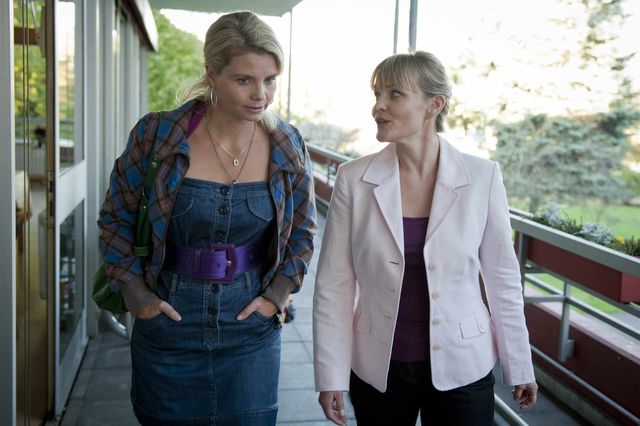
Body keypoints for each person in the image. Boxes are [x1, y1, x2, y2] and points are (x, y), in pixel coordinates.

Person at [98, 11, 317, 426]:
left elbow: (303, 231)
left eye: (270, 80)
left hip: (251, 330)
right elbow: (115, 219)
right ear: (211, 73)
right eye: (244, 80)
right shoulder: (158, 135)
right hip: (168, 324)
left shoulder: (286, 143)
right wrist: (137, 296)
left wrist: (277, 296)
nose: (261, 95)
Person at [312, 51, 537, 426]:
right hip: (378, 368)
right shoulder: (353, 179)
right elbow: (334, 284)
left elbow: (502, 279)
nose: (378, 106)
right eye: (377, 94)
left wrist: (520, 364)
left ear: (435, 105)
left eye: (395, 94)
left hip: (464, 367)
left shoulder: (482, 178)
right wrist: (330, 374)